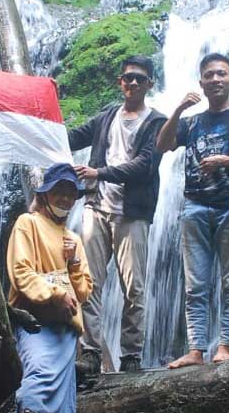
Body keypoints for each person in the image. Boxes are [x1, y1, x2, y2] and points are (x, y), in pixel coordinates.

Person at [69, 55, 167, 374]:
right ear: (120, 82)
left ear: (150, 84)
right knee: (89, 282)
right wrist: (43, 117)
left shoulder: (157, 122)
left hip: (132, 212)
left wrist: (99, 172)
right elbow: (71, 138)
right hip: (96, 207)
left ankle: (131, 355)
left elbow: (145, 166)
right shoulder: (106, 117)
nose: (134, 82)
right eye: (128, 78)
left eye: (140, 78)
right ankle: (91, 350)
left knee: (134, 287)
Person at [156, 53, 229, 368]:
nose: (215, 80)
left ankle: (226, 346)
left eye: (221, 74)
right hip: (194, 206)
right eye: (209, 75)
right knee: (196, 284)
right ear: (201, 82)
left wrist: (225, 162)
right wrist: (179, 108)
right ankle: (196, 350)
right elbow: (163, 145)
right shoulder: (192, 122)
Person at [6, 163, 92, 413]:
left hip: (67, 330)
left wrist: (74, 262)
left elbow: (84, 292)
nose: (65, 199)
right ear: (44, 194)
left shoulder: (73, 240)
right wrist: (54, 294)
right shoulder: (27, 223)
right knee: (39, 376)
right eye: (59, 191)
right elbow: (21, 272)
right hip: (37, 321)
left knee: (63, 407)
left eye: (71, 193)